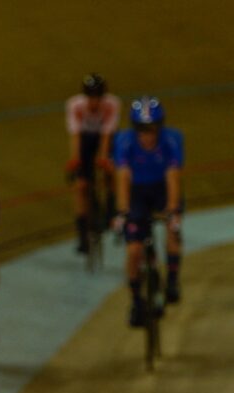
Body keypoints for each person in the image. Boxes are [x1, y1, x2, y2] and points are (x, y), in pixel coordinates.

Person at [112, 97, 184, 327]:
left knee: (173, 230)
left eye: (152, 129)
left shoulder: (172, 140)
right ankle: (136, 302)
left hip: (162, 189)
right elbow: (122, 175)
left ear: (160, 128)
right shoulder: (124, 141)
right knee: (134, 250)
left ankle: (172, 280)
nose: (147, 135)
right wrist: (123, 211)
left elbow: (173, 176)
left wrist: (172, 211)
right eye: (142, 130)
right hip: (137, 194)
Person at [65, 73, 121, 254]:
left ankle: (112, 210)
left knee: (112, 170)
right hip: (85, 140)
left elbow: (107, 134)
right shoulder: (74, 105)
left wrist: (104, 159)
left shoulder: (112, 104)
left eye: (98, 97)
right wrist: (75, 160)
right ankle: (82, 236)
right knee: (81, 186)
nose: (94, 102)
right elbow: (75, 136)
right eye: (91, 97)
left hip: (104, 139)